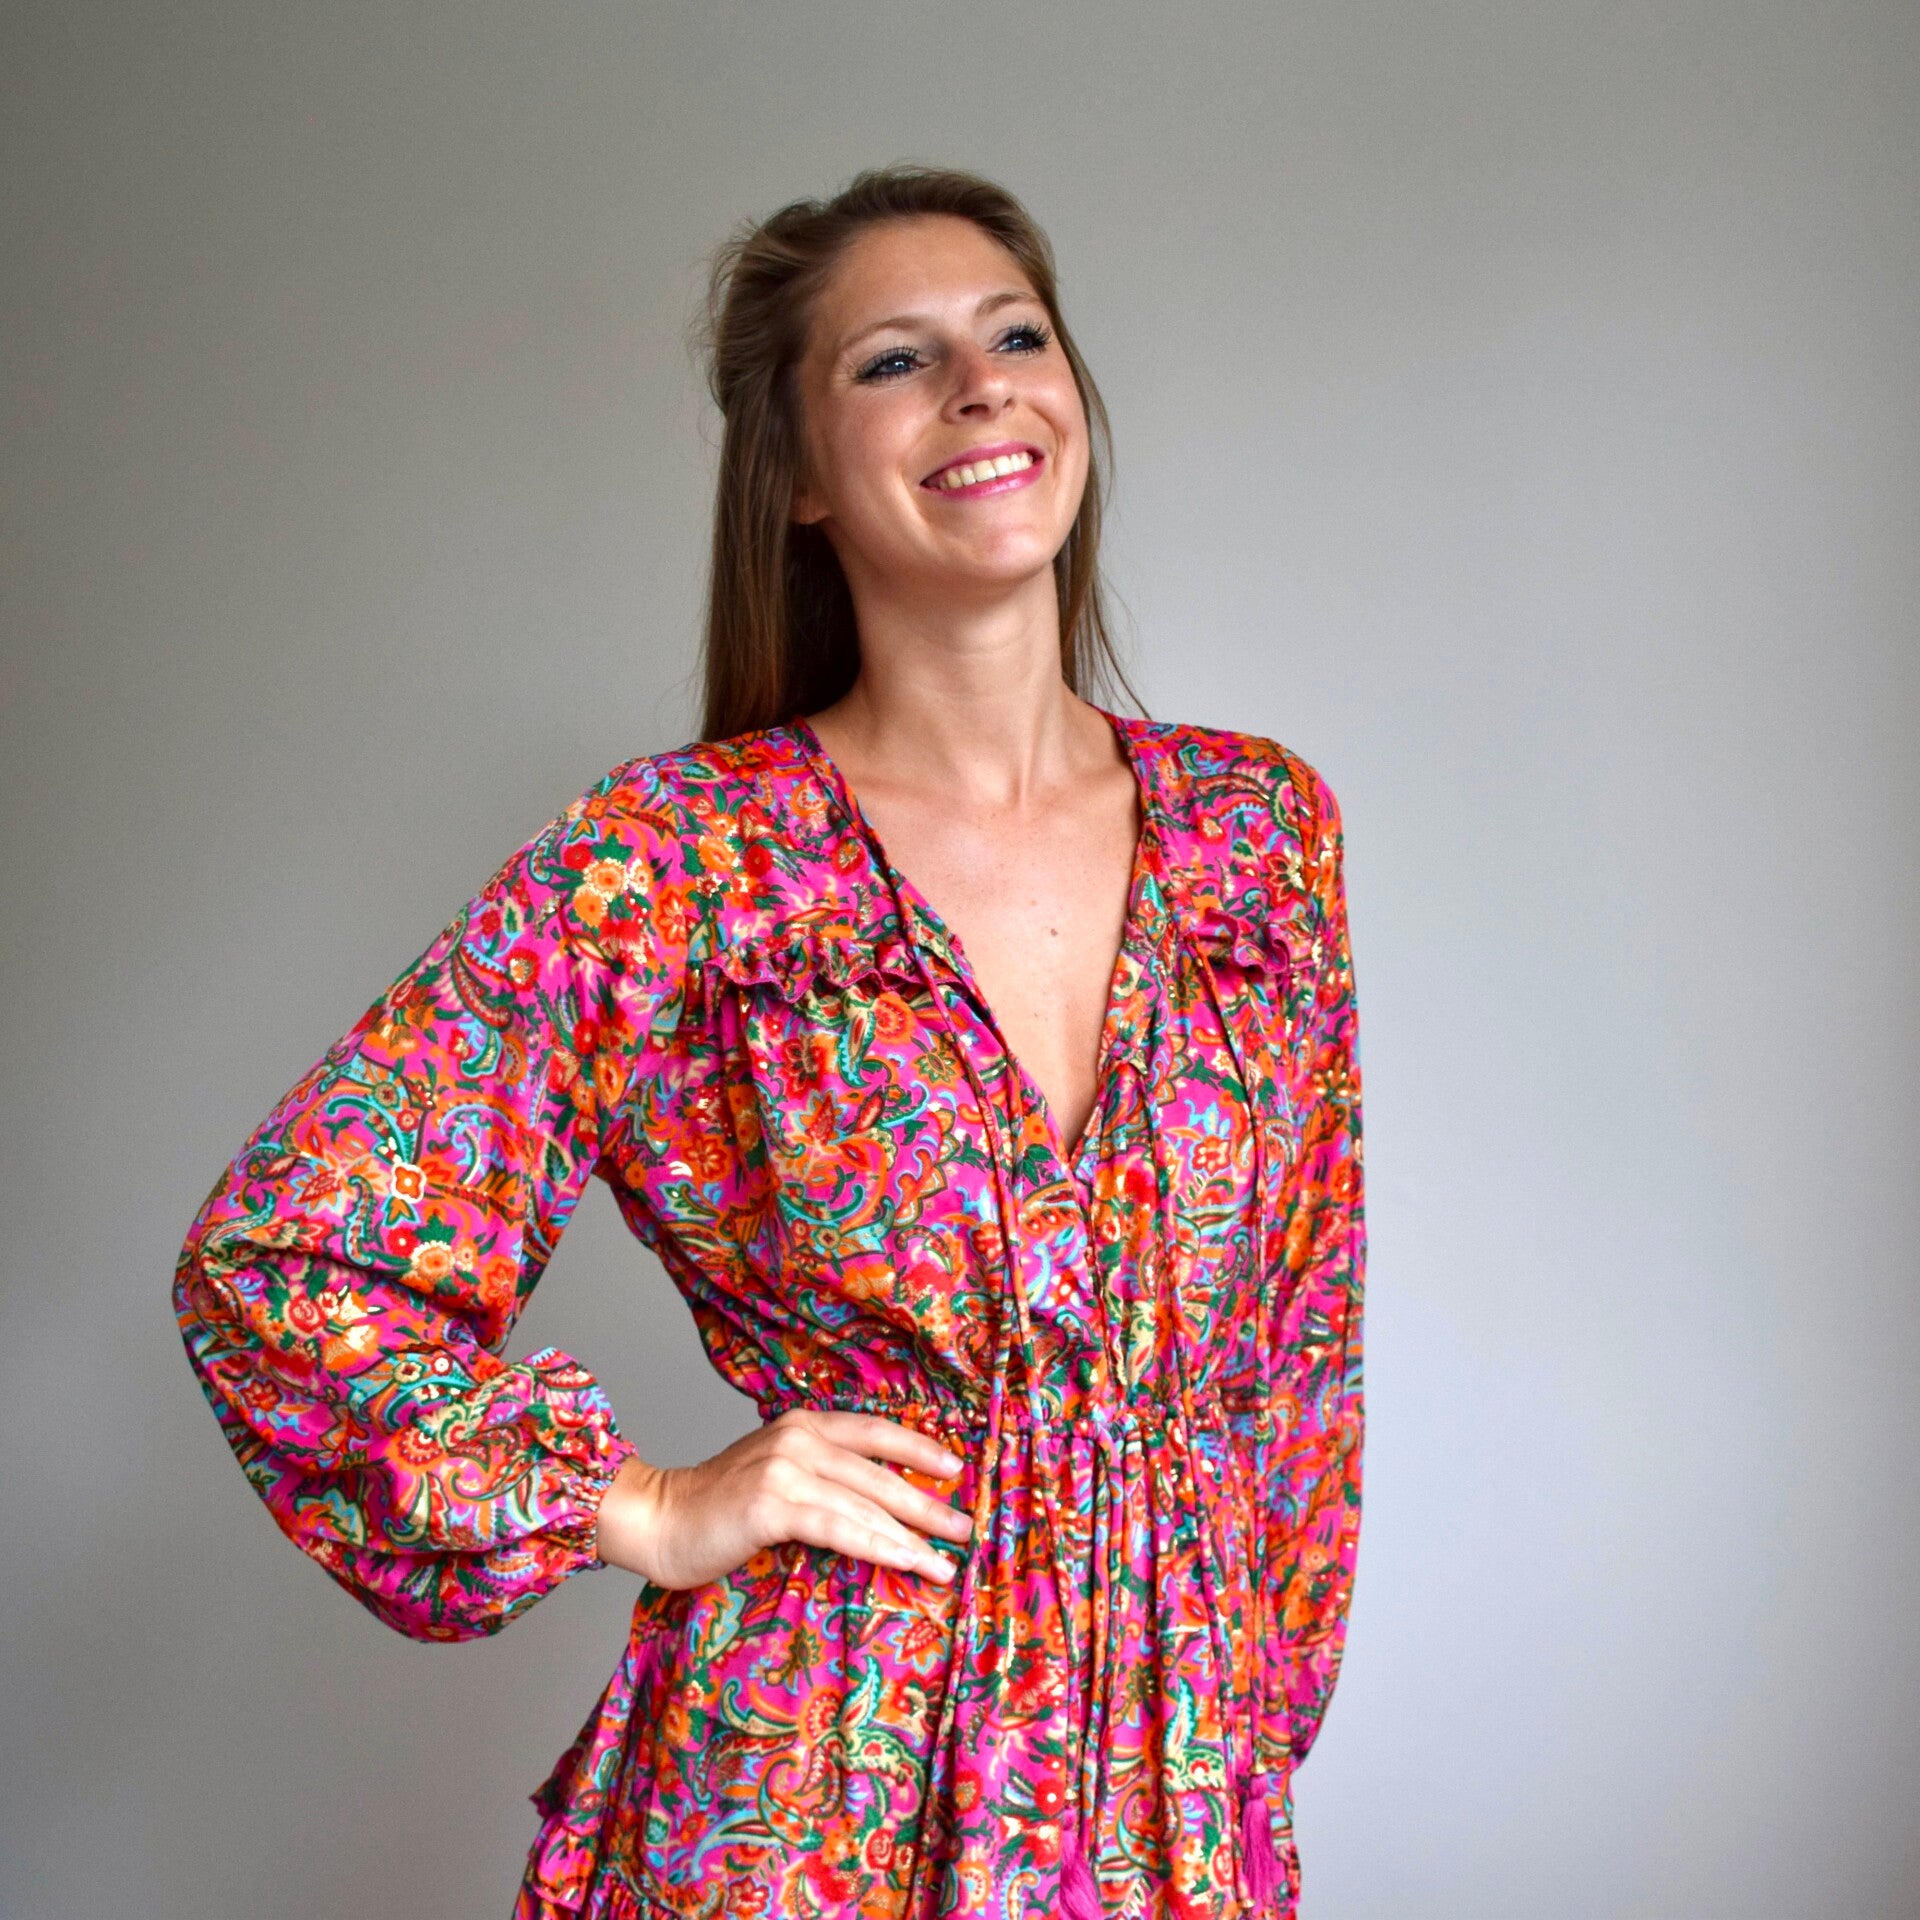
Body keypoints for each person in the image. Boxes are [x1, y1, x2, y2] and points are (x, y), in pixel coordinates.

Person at [174, 162, 1365, 1920]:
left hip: (1166, 1786)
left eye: (1016, 337)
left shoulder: (1259, 835)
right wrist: (644, 1506)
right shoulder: (682, 863)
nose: (979, 390)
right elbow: (283, 1263)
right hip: (811, 1793)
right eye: (894, 361)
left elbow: (1299, 1368)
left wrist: (1228, 1744)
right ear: (798, 475)